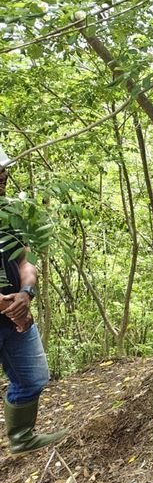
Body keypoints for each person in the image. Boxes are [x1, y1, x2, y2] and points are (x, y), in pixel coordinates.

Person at [0, 147, 68, 456]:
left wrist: (26, 294)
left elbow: (26, 263)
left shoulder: (10, 214)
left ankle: (21, 437)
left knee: (34, 377)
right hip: (9, 312)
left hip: (15, 313)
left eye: (4, 170)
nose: (3, 176)